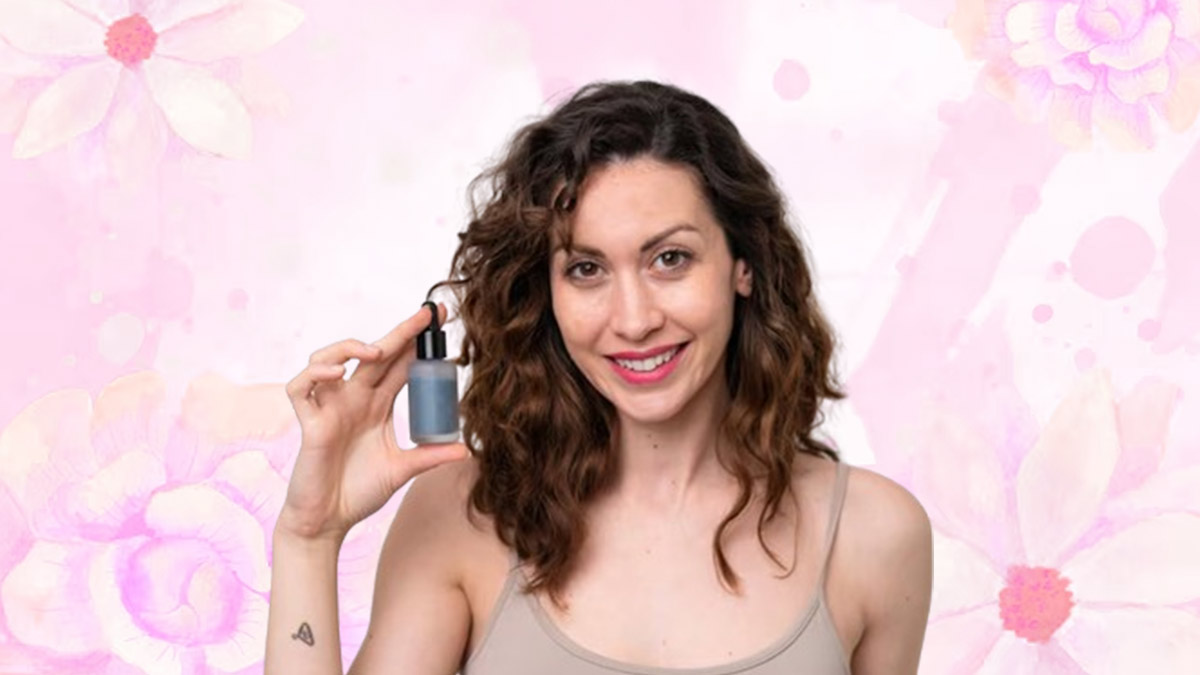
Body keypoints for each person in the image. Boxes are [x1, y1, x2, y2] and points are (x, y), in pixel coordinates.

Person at [265, 80, 933, 675]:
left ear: (744, 265)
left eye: (670, 259)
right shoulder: (463, 513)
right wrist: (309, 538)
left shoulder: (874, 535)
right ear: (547, 293)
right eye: (586, 269)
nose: (634, 319)